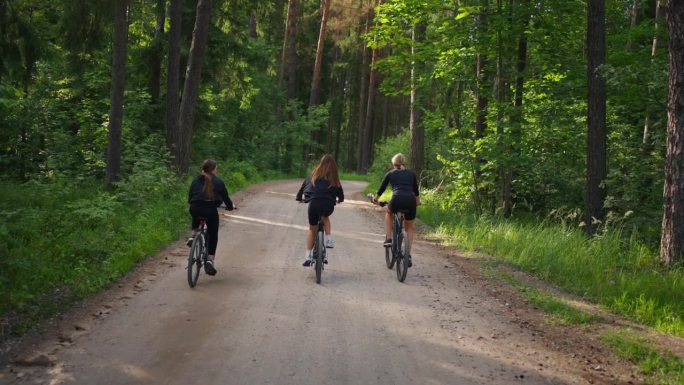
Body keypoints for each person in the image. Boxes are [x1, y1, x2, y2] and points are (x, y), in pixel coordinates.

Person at [188, 159, 236, 275]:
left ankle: (193, 236)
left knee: (196, 212)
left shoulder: (195, 180)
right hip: (210, 210)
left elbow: (190, 198)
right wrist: (230, 207)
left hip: (194, 208)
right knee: (213, 233)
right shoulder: (218, 182)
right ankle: (209, 260)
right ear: (214, 169)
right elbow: (226, 199)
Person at [296, 154, 344, 266]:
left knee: (312, 229)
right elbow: (341, 195)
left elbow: (303, 188)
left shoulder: (313, 175)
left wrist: (300, 198)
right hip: (328, 205)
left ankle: (308, 256)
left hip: (313, 204)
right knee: (325, 216)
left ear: (321, 163)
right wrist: (340, 200)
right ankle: (328, 239)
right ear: (334, 166)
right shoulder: (334, 178)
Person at [372, 153, 420, 267]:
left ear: (393, 164)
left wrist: (375, 199)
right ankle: (408, 254)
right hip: (410, 201)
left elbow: (382, 188)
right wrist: (417, 202)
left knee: (389, 212)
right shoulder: (412, 174)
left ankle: (388, 239)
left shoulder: (390, 173)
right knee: (409, 228)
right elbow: (416, 192)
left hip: (397, 199)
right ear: (404, 163)